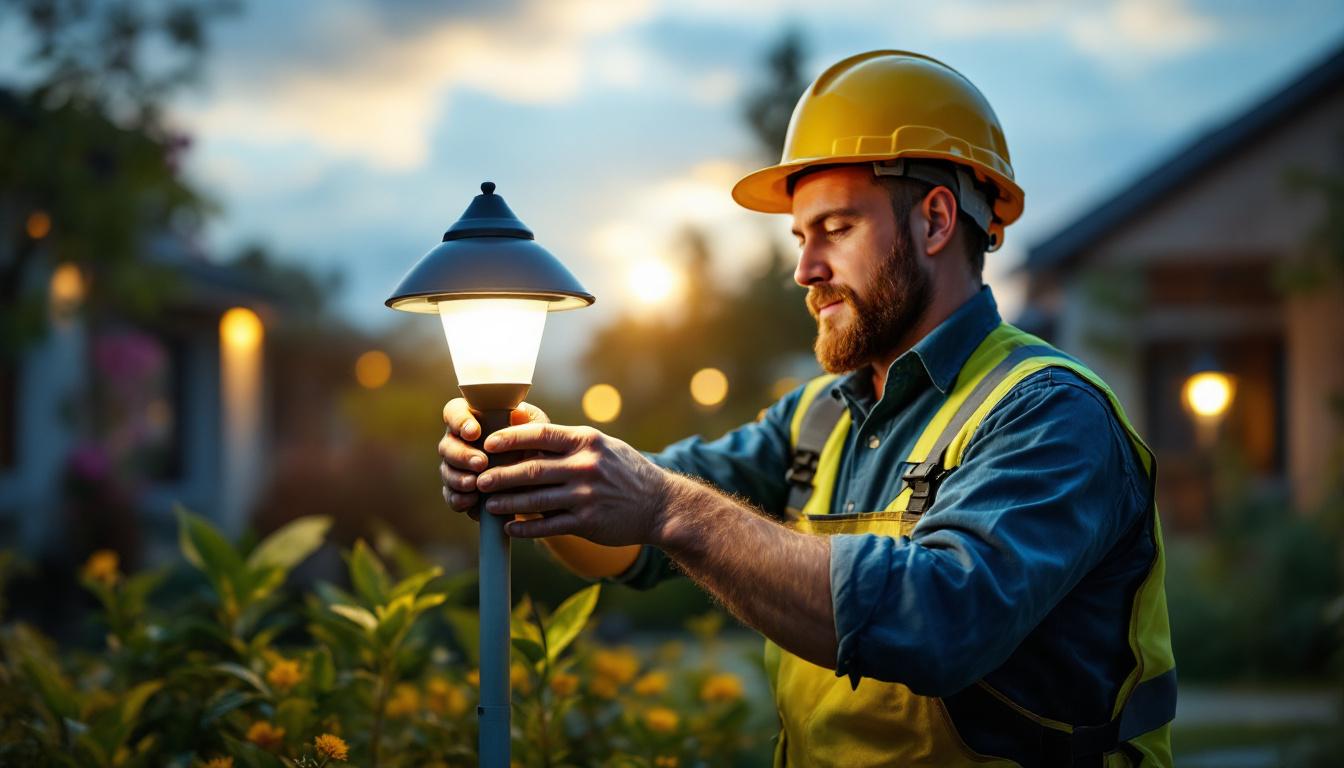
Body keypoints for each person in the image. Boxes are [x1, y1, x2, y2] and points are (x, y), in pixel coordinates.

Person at [437, 50, 1175, 767]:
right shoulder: (821, 417)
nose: (804, 269)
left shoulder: (1048, 414)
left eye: (836, 229)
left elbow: (943, 622)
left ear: (936, 221)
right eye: (799, 236)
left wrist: (670, 508)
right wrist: (535, 468)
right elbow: (634, 538)